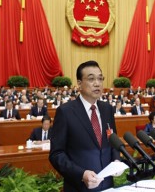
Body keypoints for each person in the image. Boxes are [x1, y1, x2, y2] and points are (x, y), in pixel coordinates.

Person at [49, 61, 121, 191]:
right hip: (79, 187)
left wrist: (116, 160)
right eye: (91, 78)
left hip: (107, 187)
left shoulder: (107, 109)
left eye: (100, 78)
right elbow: (56, 154)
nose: (97, 83)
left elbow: (113, 141)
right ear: (80, 84)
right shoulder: (65, 112)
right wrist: (81, 174)